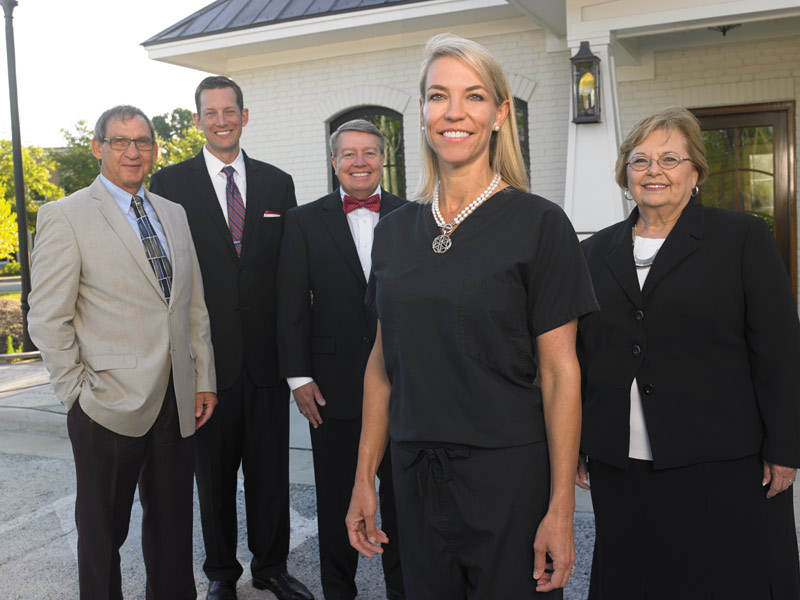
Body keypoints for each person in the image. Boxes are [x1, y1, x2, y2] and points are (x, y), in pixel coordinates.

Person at [345, 34, 597, 599]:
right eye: (439, 96)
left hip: (507, 481)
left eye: (474, 96)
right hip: (414, 478)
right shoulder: (393, 232)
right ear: (423, 111)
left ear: (500, 113)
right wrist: (365, 478)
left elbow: (560, 374)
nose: (454, 112)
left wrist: (562, 508)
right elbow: (383, 365)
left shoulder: (539, 224)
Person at [576, 107, 800, 600]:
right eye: (640, 161)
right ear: (624, 173)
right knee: (635, 578)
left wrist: (785, 447)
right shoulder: (593, 253)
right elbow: (581, 356)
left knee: (724, 579)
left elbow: (779, 349)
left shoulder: (742, 238)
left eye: (669, 159)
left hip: (721, 460)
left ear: (695, 171)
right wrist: (578, 441)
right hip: (622, 463)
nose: (653, 171)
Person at [28, 105, 217, 599]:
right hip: (105, 404)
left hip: (176, 402)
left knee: (173, 531)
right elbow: (48, 318)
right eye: (120, 141)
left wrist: (203, 379)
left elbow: (191, 304)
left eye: (143, 142)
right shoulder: (65, 215)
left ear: (154, 150)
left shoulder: (173, 213)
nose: (133, 152)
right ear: (98, 147)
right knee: (102, 535)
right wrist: (76, 392)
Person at [149, 76, 311, 600]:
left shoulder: (276, 183)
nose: (221, 120)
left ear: (245, 116)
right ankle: (221, 574)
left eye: (229, 110)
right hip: (205, 365)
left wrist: (296, 362)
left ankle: (271, 568)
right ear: (197, 120)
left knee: (270, 477)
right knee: (212, 479)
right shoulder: (169, 186)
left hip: (266, 361)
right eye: (210, 112)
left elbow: (289, 276)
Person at [277, 119, 406, 600]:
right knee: (337, 501)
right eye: (348, 154)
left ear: (382, 159)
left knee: (401, 502)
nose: (359, 162)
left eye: (369, 153)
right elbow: (290, 302)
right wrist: (298, 376)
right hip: (331, 386)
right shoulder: (304, 221)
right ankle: (339, 592)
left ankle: (404, 589)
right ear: (334, 162)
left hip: (403, 382)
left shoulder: (413, 215)